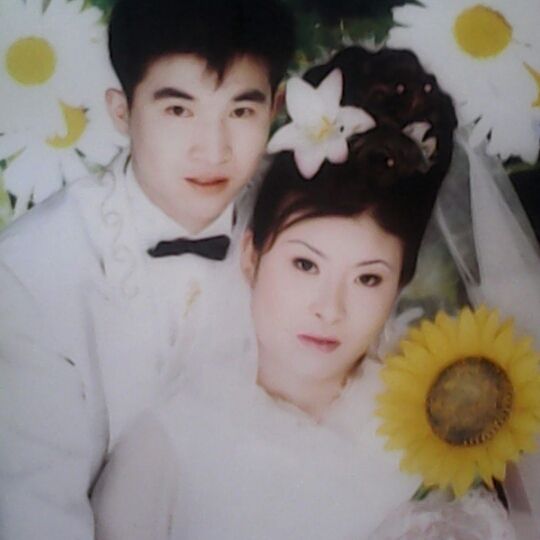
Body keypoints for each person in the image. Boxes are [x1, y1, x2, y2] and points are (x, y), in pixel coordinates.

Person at [91, 48, 515, 539]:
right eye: (305, 264)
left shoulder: (434, 430)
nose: (329, 309)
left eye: (368, 279)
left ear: (401, 283)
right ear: (251, 257)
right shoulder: (167, 446)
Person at [0, 1, 295, 538]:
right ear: (121, 111)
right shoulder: (33, 271)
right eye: (178, 110)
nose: (213, 150)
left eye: (240, 111)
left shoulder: (297, 231)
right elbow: (35, 510)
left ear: (275, 108)